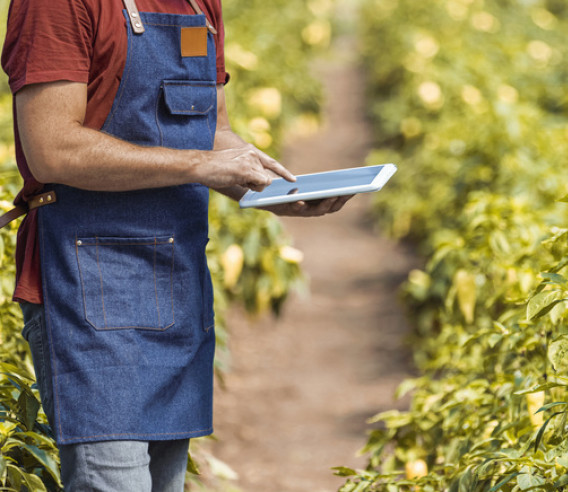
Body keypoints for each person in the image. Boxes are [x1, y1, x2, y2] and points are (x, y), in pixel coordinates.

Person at [1, 0, 350, 490]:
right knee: (113, 480)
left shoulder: (198, 3)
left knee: (164, 482)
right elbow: (52, 147)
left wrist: (275, 191)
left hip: (175, 281)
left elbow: (214, 135)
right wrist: (197, 166)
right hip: (85, 286)